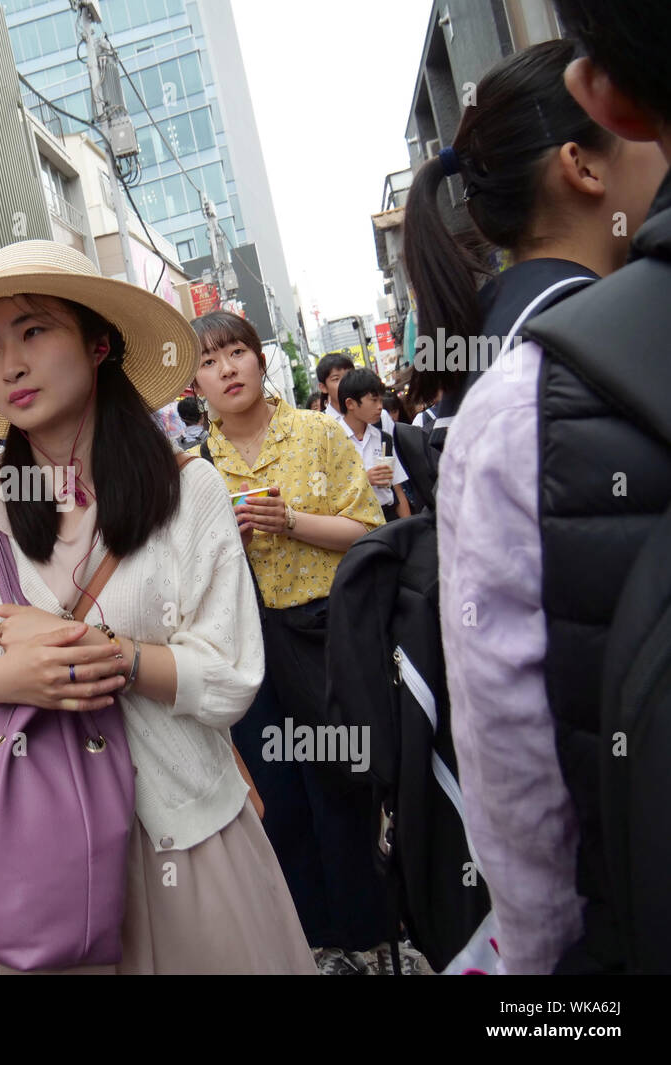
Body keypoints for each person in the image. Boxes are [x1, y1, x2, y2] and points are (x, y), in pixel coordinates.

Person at [0, 240, 314, 975]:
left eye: (34, 331)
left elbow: (232, 676)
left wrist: (98, 651)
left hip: (184, 835)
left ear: (99, 342)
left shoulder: (189, 491)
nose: (9, 364)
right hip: (38, 855)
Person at [439, 0, 671, 974]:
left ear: (606, 94)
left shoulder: (512, 399)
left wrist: (541, 963)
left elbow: (513, 769)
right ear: (585, 149)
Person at [188, 310, 390, 974]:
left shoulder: (317, 433)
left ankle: (368, 933)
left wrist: (292, 520)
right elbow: (186, 575)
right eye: (211, 361)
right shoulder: (196, 471)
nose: (227, 369)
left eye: (237, 352)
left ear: (260, 359)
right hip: (246, 647)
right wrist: (227, 543)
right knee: (278, 796)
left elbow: (367, 529)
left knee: (340, 784)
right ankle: (312, 941)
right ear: (196, 384)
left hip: (321, 632)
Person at [402, 38, 668, 428]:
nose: (658, 139)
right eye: (642, 120)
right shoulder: (597, 333)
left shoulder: (497, 322)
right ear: (582, 166)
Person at [338, 369, 412, 521]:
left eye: (381, 400)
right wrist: (364, 479)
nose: (380, 407)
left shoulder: (384, 438)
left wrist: (410, 529)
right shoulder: (333, 441)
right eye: (374, 400)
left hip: (389, 516)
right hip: (354, 521)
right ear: (350, 404)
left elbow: (397, 490)